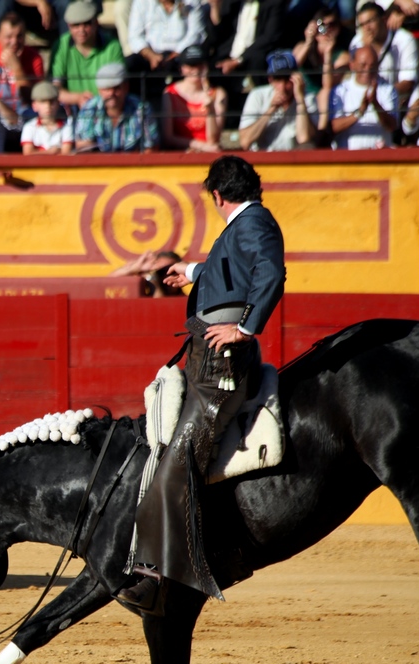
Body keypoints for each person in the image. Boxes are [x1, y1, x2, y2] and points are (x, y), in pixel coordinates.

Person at [118, 155, 285, 613]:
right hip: (208, 356)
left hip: (222, 365)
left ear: (216, 194)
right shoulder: (245, 224)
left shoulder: (252, 224)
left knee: (177, 463)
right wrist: (192, 272)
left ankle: (163, 574)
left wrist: (245, 328)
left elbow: (269, 273)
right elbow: (230, 266)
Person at [237, 49, 315, 150]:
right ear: (270, 80)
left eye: (287, 79)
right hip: (263, 159)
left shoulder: (307, 97)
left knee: (307, 148)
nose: (283, 87)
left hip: (295, 160)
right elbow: (245, 142)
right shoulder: (257, 95)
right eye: (278, 79)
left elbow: (304, 138)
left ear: (296, 78)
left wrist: (300, 102)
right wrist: (271, 109)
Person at [51, 1, 124, 107]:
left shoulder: (113, 46)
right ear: (68, 26)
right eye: (76, 25)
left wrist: (93, 103)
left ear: (96, 23)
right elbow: (55, 88)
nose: (81, 30)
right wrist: (77, 98)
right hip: (71, 107)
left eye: (87, 24)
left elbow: (119, 87)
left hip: (107, 105)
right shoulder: (60, 45)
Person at [324, 44, 397, 149]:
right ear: (352, 65)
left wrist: (375, 105)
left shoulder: (388, 90)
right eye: (363, 65)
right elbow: (333, 127)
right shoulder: (339, 91)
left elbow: (392, 126)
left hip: (380, 159)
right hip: (348, 158)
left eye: (372, 66)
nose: (367, 70)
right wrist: (359, 112)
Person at [74, 61, 157, 152]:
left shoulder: (141, 108)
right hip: (98, 164)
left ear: (126, 87)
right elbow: (82, 146)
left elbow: (151, 147)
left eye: (116, 88)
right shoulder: (89, 109)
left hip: (133, 165)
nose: (111, 93)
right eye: (107, 89)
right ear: (99, 91)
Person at [0, 12, 44, 118]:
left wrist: (17, 68)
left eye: (19, 36)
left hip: (23, 115)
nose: (14, 41)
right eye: (9, 36)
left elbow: (34, 100)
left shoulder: (35, 58)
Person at [348, 1, 416, 108]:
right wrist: (366, 49)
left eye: (370, 21)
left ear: (384, 19)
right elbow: (356, 81)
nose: (367, 28)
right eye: (362, 24)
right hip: (364, 102)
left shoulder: (404, 40)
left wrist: (381, 95)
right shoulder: (357, 44)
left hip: (396, 102)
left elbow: (408, 83)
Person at [160, 45, 226, 152]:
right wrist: (200, 146)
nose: (195, 70)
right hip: (180, 154)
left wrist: (210, 109)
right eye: (190, 65)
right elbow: (167, 137)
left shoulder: (218, 93)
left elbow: (213, 140)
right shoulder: (170, 93)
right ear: (181, 68)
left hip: (209, 154)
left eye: (199, 65)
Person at [124, 0, 203, 82]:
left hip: (181, 54)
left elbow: (196, 34)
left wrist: (176, 54)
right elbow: (135, 36)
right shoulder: (141, 2)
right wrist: (151, 56)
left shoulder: (191, 2)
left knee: (193, 60)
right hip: (151, 54)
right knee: (130, 63)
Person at [292, 5, 351, 99]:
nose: (326, 30)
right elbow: (291, 68)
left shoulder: (343, 56)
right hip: (300, 96)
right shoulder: (301, 47)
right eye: (321, 25)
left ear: (338, 28)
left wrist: (328, 53)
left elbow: (327, 86)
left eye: (331, 25)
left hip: (325, 101)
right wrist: (308, 43)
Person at [21, 80, 74, 154]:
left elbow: (65, 154)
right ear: (34, 105)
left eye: (51, 102)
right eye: (43, 101)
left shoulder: (66, 127)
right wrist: (51, 152)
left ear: (58, 104)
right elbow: (27, 153)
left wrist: (38, 153)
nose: (48, 106)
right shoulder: (29, 127)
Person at [107, 248, 183, 296]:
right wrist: (133, 269)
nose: (165, 276)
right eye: (160, 272)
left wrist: (156, 286)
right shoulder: (145, 289)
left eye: (171, 271)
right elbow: (107, 283)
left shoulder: (188, 302)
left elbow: (159, 306)